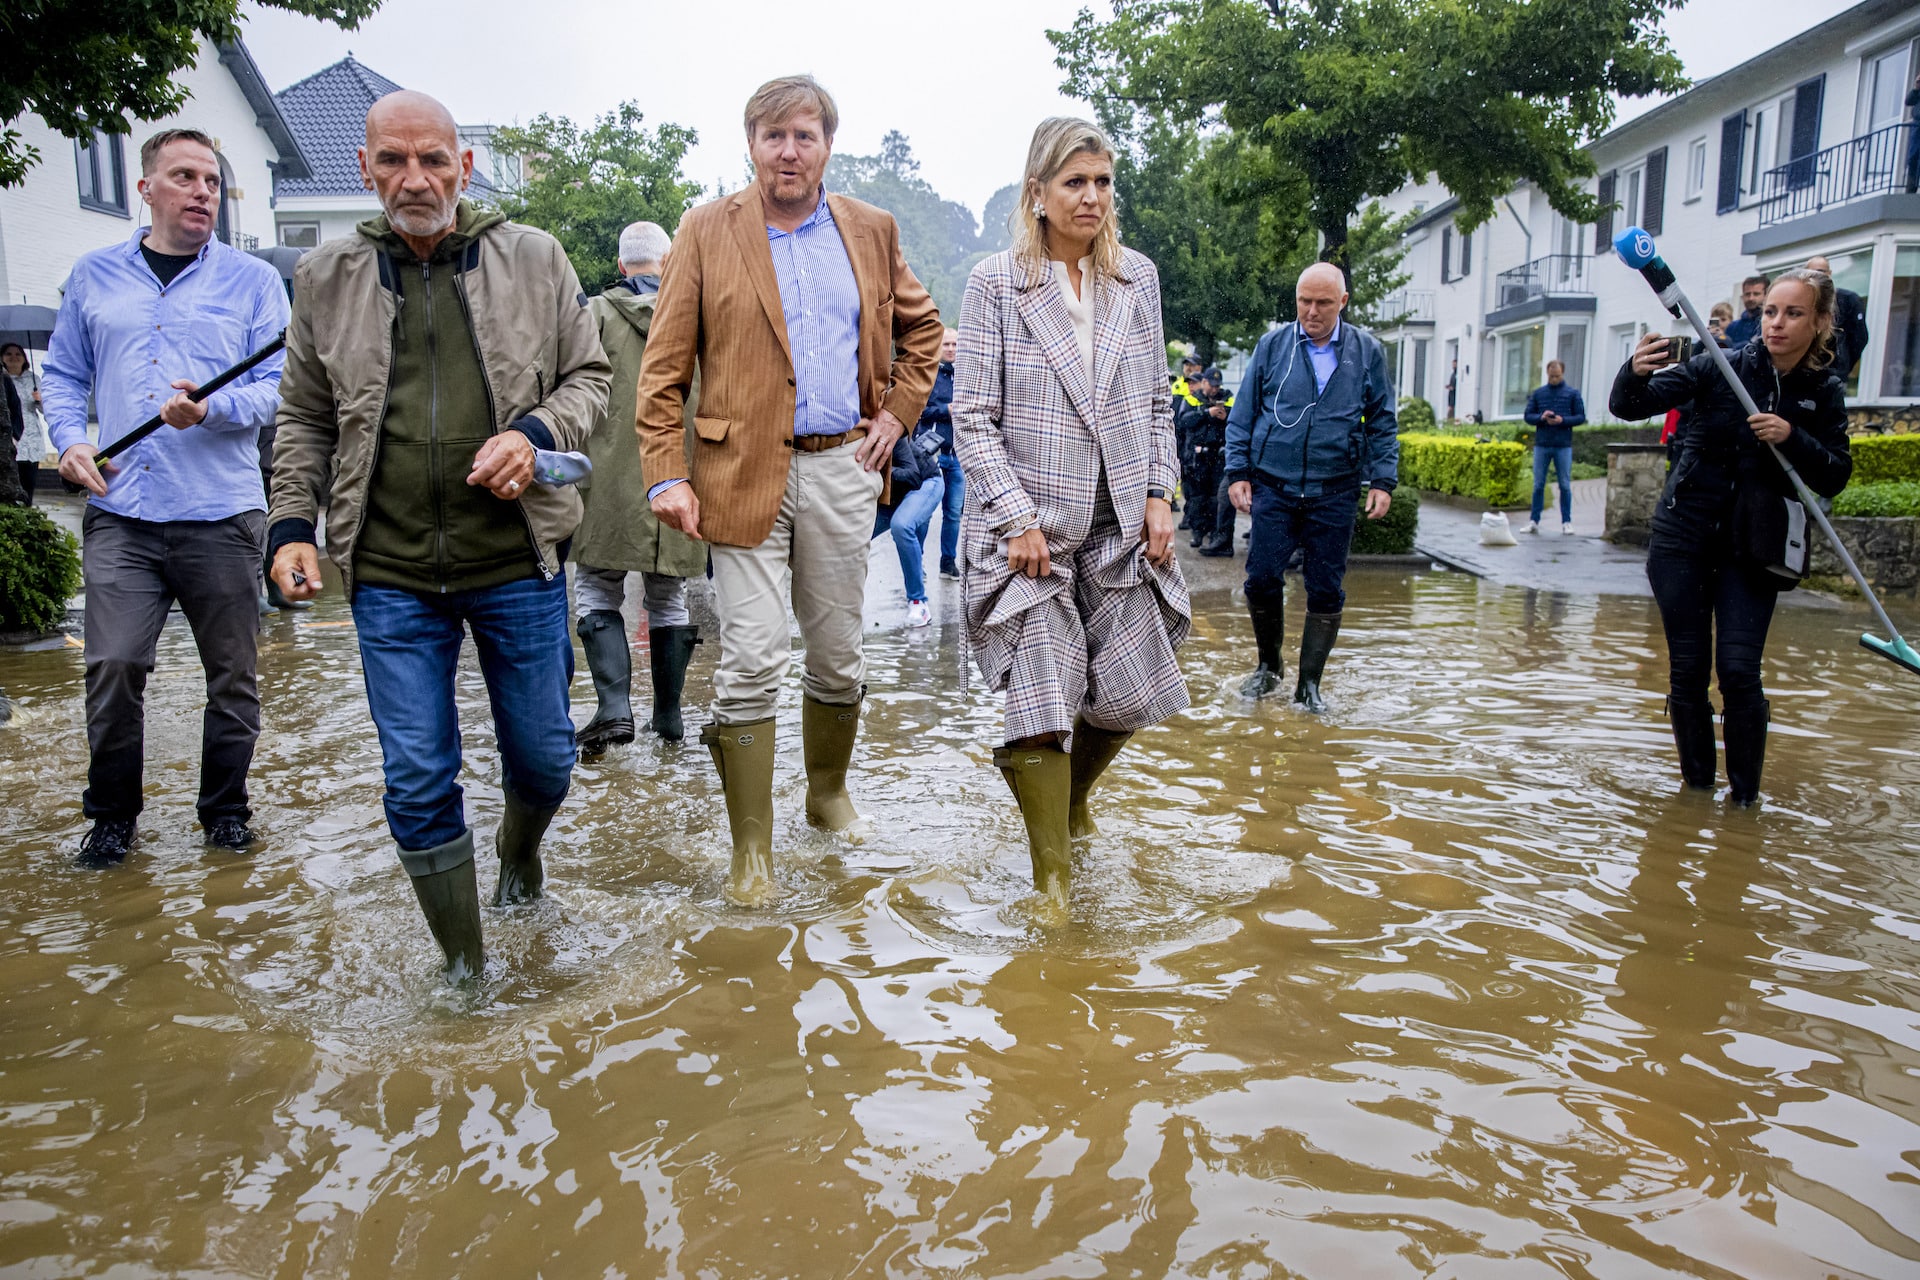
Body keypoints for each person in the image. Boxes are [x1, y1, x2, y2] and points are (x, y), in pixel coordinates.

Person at [268, 91, 612, 981]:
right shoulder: (326, 278)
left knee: (543, 761)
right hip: (387, 570)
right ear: (366, 170)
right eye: (393, 162)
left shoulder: (534, 259)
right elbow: (304, 418)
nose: (413, 180)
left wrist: (533, 437)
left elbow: (590, 380)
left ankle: (519, 848)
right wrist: (292, 527)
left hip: (516, 557)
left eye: (432, 160)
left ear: (465, 165)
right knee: (418, 780)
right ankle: (465, 970)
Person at [636, 75, 942, 906]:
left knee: (839, 659)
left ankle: (827, 793)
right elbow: (662, 370)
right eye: (773, 137)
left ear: (826, 146)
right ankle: (752, 853)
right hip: (737, 474)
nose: (789, 152)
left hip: (847, 468)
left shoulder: (870, 230)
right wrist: (665, 471)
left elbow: (925, 331)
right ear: (750, 145)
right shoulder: (705, 231)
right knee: (750, 662)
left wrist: (899, 416)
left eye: (804, 136)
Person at [953, 116, 1190, 909]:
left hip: (1120, 522)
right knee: (1046, 691)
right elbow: (973, 416)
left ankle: (1068, 795)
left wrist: (1161, 491)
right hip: (1028, 534)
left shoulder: (1139, 279)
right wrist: (1015, 516)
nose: (1093, 197)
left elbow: (1159, 402)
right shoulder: (997, 283)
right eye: (1075, 182)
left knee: (1127, 691)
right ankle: (1052, 890)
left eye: (1103, 181)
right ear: (1039, 194)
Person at [43, 128, 289, 868]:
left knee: (233, 677)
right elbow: (62, 376)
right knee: (112, 664)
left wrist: (214, 409)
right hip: (123, 511)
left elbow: (283, 390)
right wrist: (69, 439)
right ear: (145, 187)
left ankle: (225, 815)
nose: (202, 192)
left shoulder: (252, 283)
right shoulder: (92, 276)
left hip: (221, 512)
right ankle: (113, 820)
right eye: (184, 177)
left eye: (212, 181)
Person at [1608, 269, 1851, 807]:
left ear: (1820, 322)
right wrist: (1632, 370)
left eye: (1792, 314)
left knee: (1740, 671)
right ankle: (1695, 794)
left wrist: (1794, 437)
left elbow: (1835, 472)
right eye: (1770, 312)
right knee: (1688, 670)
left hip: (1755, 547)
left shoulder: (1824, 390)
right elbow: (1628, 405)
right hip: (1684, 538)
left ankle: (1745, 804)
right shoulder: (1723, 366)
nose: (1777, 324)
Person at [1225, 263, 1398, 711]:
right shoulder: (1272, 347)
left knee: (1325, 587)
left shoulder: (1367, 351)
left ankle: (1309, 684)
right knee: (1261, 578)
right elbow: (1242, 414)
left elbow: (1381, 420)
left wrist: (1382, 479)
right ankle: (1268, 667)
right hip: (1274, 485)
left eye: (1323, 303)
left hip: (1335, 487)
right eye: (1305, 301)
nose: (1312, 312)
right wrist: (1238, 472)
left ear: (1343, 302)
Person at [575, 221, 708, 752]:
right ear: (669, 260)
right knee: (669, 593)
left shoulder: (596, 314)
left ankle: (613, 709)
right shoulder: (694, 315)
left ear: (620, 264)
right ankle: (669, 720)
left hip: (606, 474)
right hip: (678, 472)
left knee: (597, 585)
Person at [873, 409, 945, 626]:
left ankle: (918, 603)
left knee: (902, 525)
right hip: (892, 495)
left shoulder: (890, 429)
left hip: (925, 482)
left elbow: (913, 476)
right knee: (851, 538)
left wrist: (879, 473)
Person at [919, 326, 964, 581]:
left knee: (953, 513)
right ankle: (919, 561)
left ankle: (948, 562)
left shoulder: (968, 375)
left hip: (959, 456)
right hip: (933, 455)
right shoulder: (930, 376)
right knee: (924, 512)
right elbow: (921, 410)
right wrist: (946, 409)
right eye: (946, 344)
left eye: (955, 344)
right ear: (938, 347)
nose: (950, 349)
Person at [1522, 358, 1586, 535]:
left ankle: (1566, 522)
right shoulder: (1539, 394)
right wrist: (1542, 417)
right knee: (1538, 484)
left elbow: (1581, 417)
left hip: (1563, 445)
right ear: (1547, 374)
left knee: (1564, 485)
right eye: (1551, 376)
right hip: (1542, 444)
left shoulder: (1572, 394)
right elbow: (1528, 416)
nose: (1554, 379)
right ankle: (1534, 520)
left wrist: (1563, 420)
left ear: (1562, 373)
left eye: (1557, 376)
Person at [1178, 367, 1231, 550]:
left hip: (1218, 456)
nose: (1215, 390)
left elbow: (1238, 421)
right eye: (1212, 385)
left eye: (1217, 386)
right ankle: (1198, 532)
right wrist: (1206, 414)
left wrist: (1226, 417)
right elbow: (1183, 422)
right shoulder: (1192, 399)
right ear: (1205, 383)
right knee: (1197, 498)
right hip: (1197, 456)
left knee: (1215, 498)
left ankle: (1213, 533)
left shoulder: (1228, 398)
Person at [1805, 256, 1868, 379]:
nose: (1817, 275)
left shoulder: (1848, 299)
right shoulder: (1799, 301)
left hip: (1834, 372)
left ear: (1829, 273)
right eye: (1812, 272)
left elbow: (1859, 338)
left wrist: (1844, 365)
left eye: (1821, 271)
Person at [3, 344, 47, 503]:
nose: (13, 357)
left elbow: (45, 410)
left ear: (24, 358)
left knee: (28, 483)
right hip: (9, 436)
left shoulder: (34, 379)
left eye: (17, 354)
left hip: (31, 438)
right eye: (8, 354)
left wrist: (40, 400)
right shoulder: (3, 379)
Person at [1723, 275, 1768, 348]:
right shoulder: (1732, 327)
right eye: (1747, 294)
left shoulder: (1770, 325)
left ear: (1766, 296)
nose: (1751, 298)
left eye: (1756, 294)